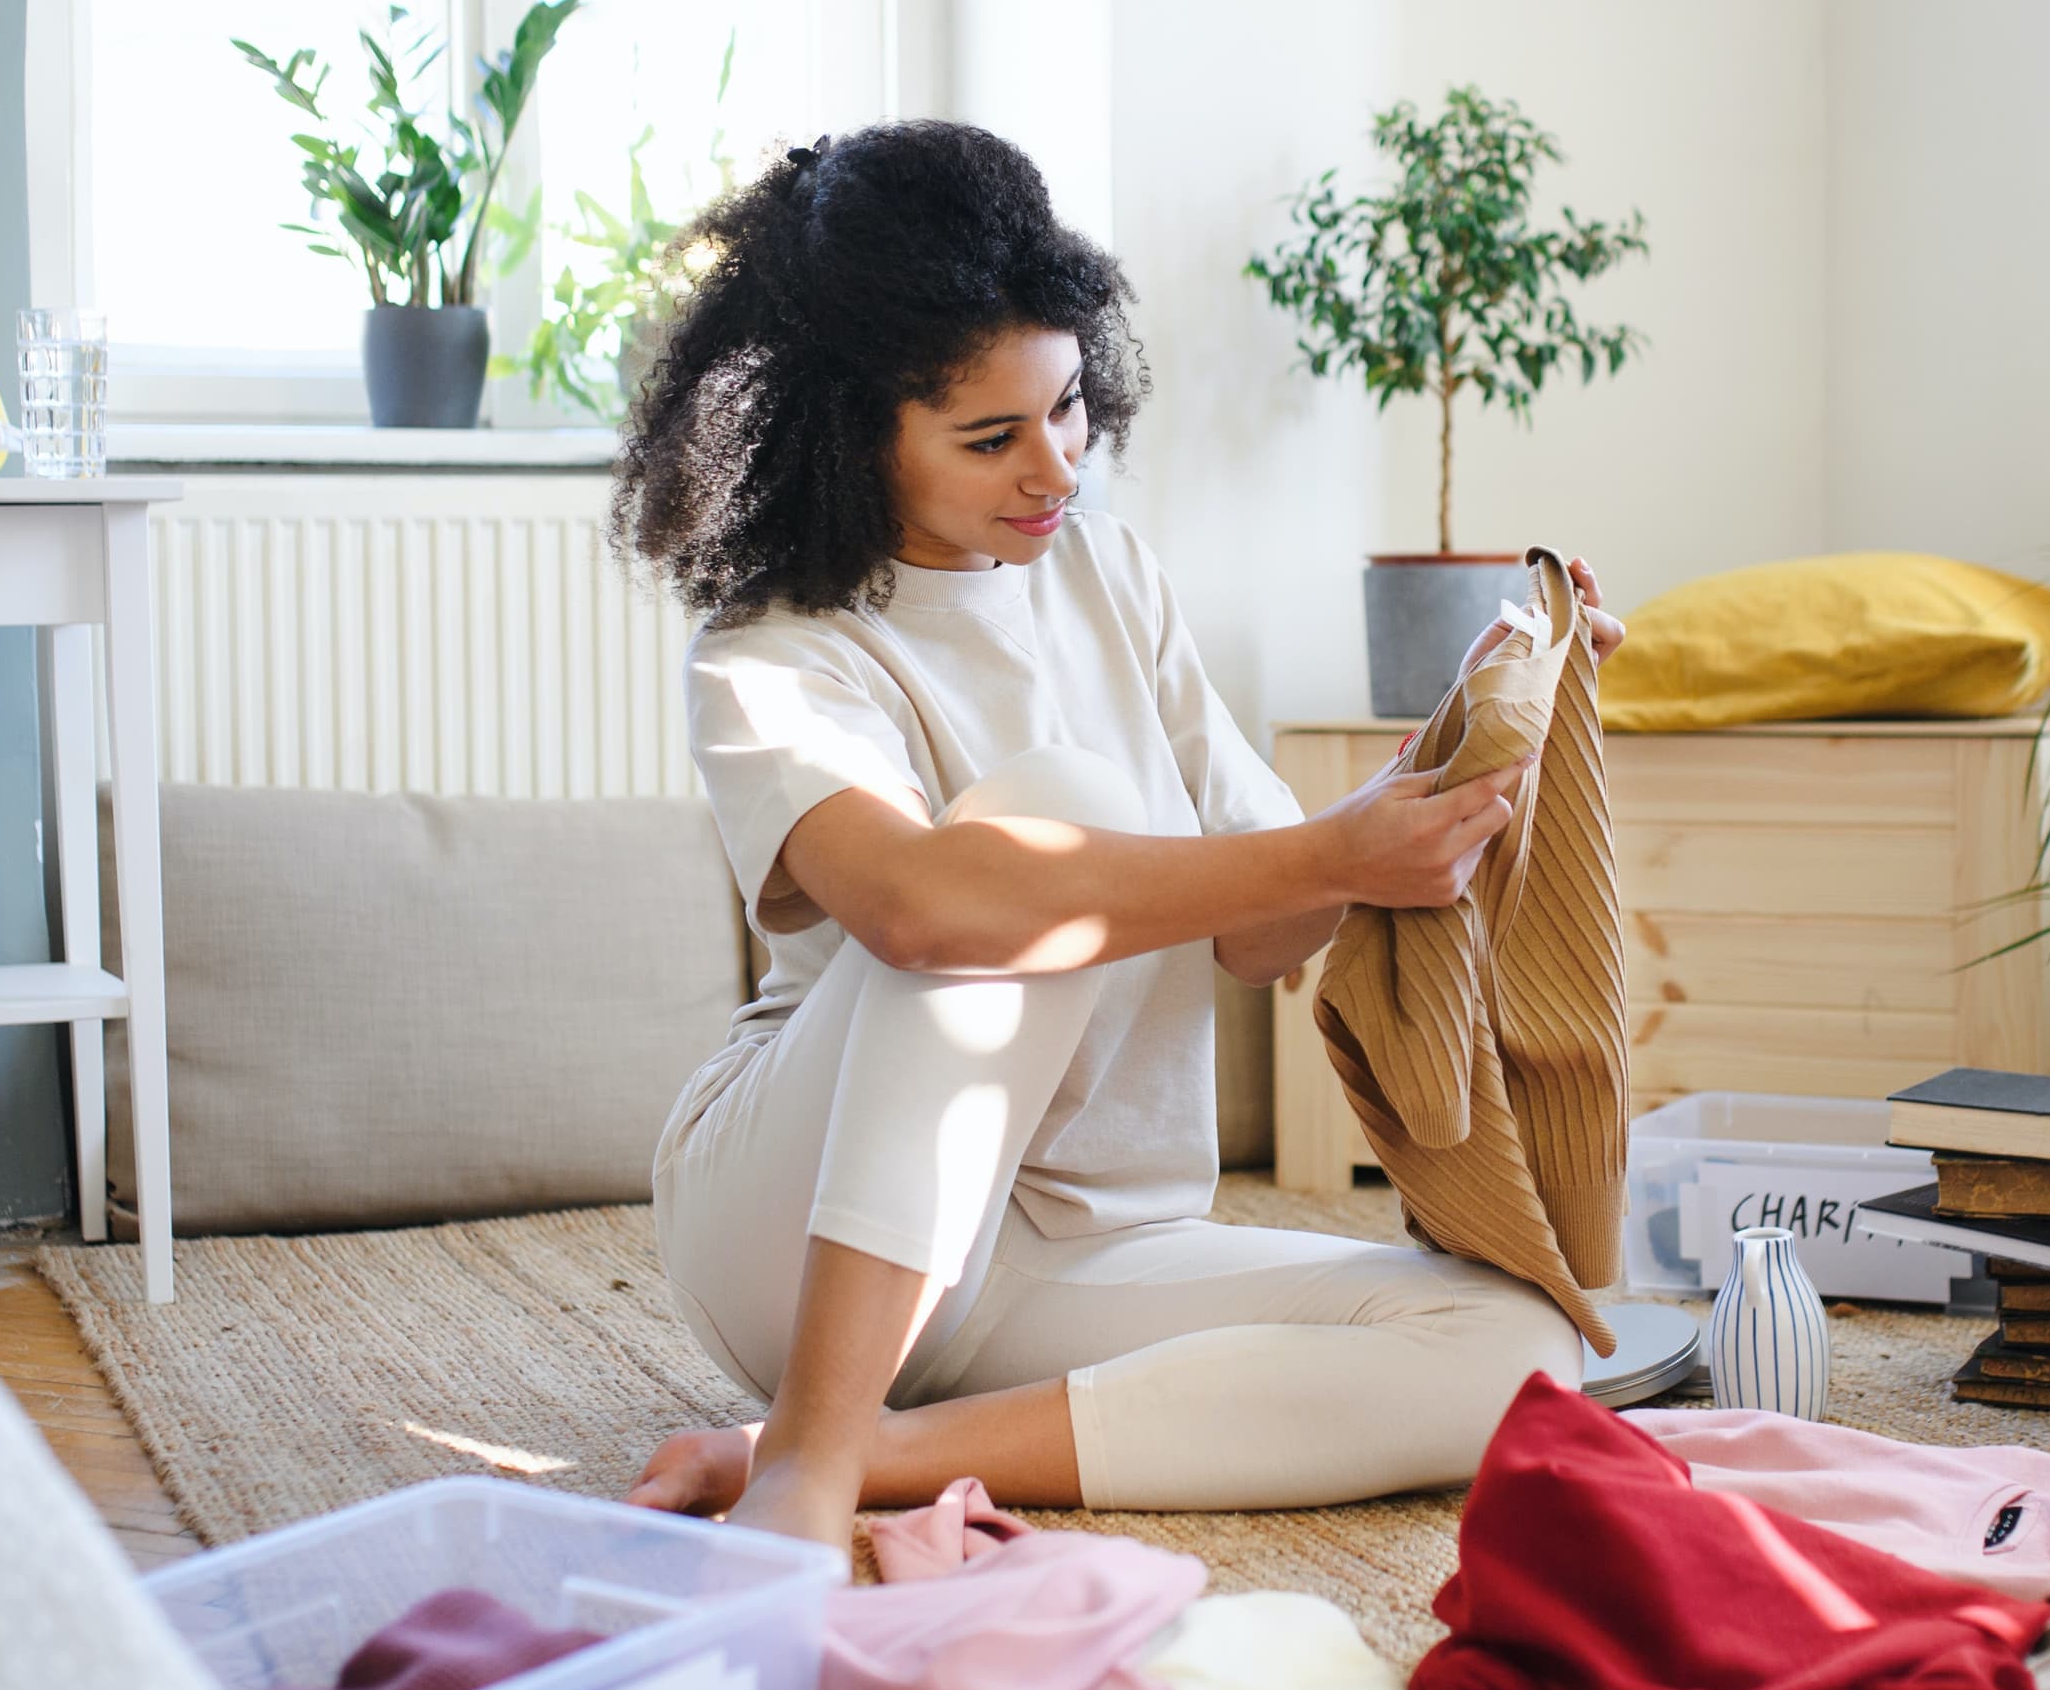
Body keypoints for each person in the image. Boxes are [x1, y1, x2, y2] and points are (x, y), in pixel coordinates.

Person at [608, 119, 1622, 1552]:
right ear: (849, 431)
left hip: (1088, 1244)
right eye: (991, 437)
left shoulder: (1110, 574)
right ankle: (811, 1454)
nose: (1056, 468)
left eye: (1072, 408)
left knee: (1521, 1351)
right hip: (799, 1237)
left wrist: (1461, 754)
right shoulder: (772, 650)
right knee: (1049, 820)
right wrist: (1327, 854)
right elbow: (922, 910)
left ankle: (881, 1452)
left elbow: (1268, 926)